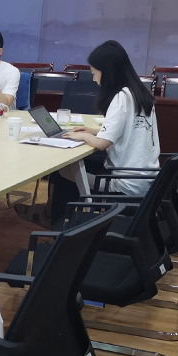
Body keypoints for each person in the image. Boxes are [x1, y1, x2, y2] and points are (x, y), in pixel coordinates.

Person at [16, 40, 160, 227]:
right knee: (71, 169)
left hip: (123, 184)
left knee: (65, 171)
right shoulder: (139, 93)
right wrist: (93, 130)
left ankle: (58, 224)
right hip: (145, 178)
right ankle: (55, 216)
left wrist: (84, 136)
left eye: (94, 73)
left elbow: (101, 144)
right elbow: (130, 130)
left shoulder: (121, 98)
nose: (94, 79)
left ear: (107, 73)